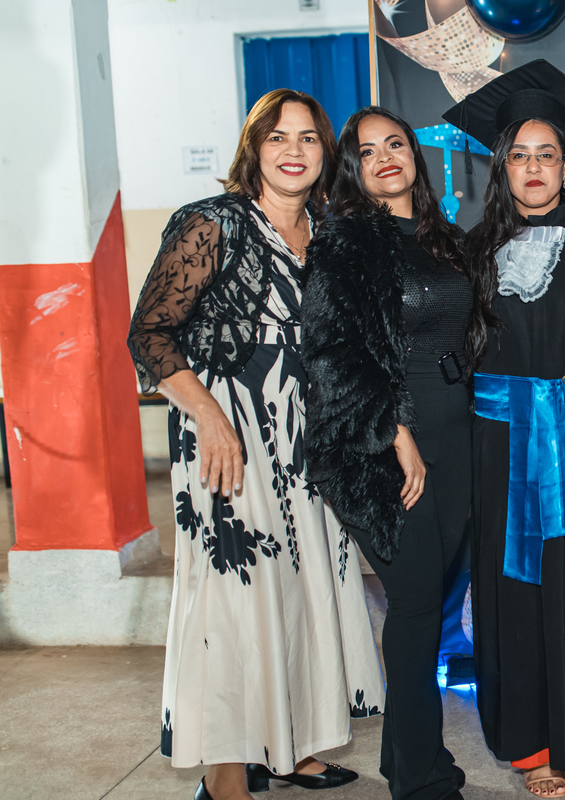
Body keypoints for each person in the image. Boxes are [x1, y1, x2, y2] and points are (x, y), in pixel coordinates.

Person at [127, 89, 384, 800]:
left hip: (309, 444)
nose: (294, 150)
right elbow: (149, 335)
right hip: (231, 437)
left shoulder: (328, 232)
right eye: (278, 137)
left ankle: (290, 747)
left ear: (325, 152)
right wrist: (210, 417)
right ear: (254, 148)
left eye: (308, 138)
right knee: (235, 599)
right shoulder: (212, 223)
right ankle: (226, 772)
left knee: (303, 592)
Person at [442, 60, 565, 798]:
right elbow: (454, 359)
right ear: (501, 166)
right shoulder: (471, 250)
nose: (533, 168)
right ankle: (530, 748)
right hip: (500, 448)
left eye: (547, 154)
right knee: (514, 594)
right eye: (519, 155)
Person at [301, 105, 481, 800]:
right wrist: (396, 430)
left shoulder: (447, 239)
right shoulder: (345, 242)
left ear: (414, 154)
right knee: (413, 604)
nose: (385, 157)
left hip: (461, 432)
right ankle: (421, 779)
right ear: (353, 168)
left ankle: (407, 760)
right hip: (391, 441)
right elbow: (331, 351)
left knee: (436, 602)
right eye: (368, 150)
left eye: (396, 144)